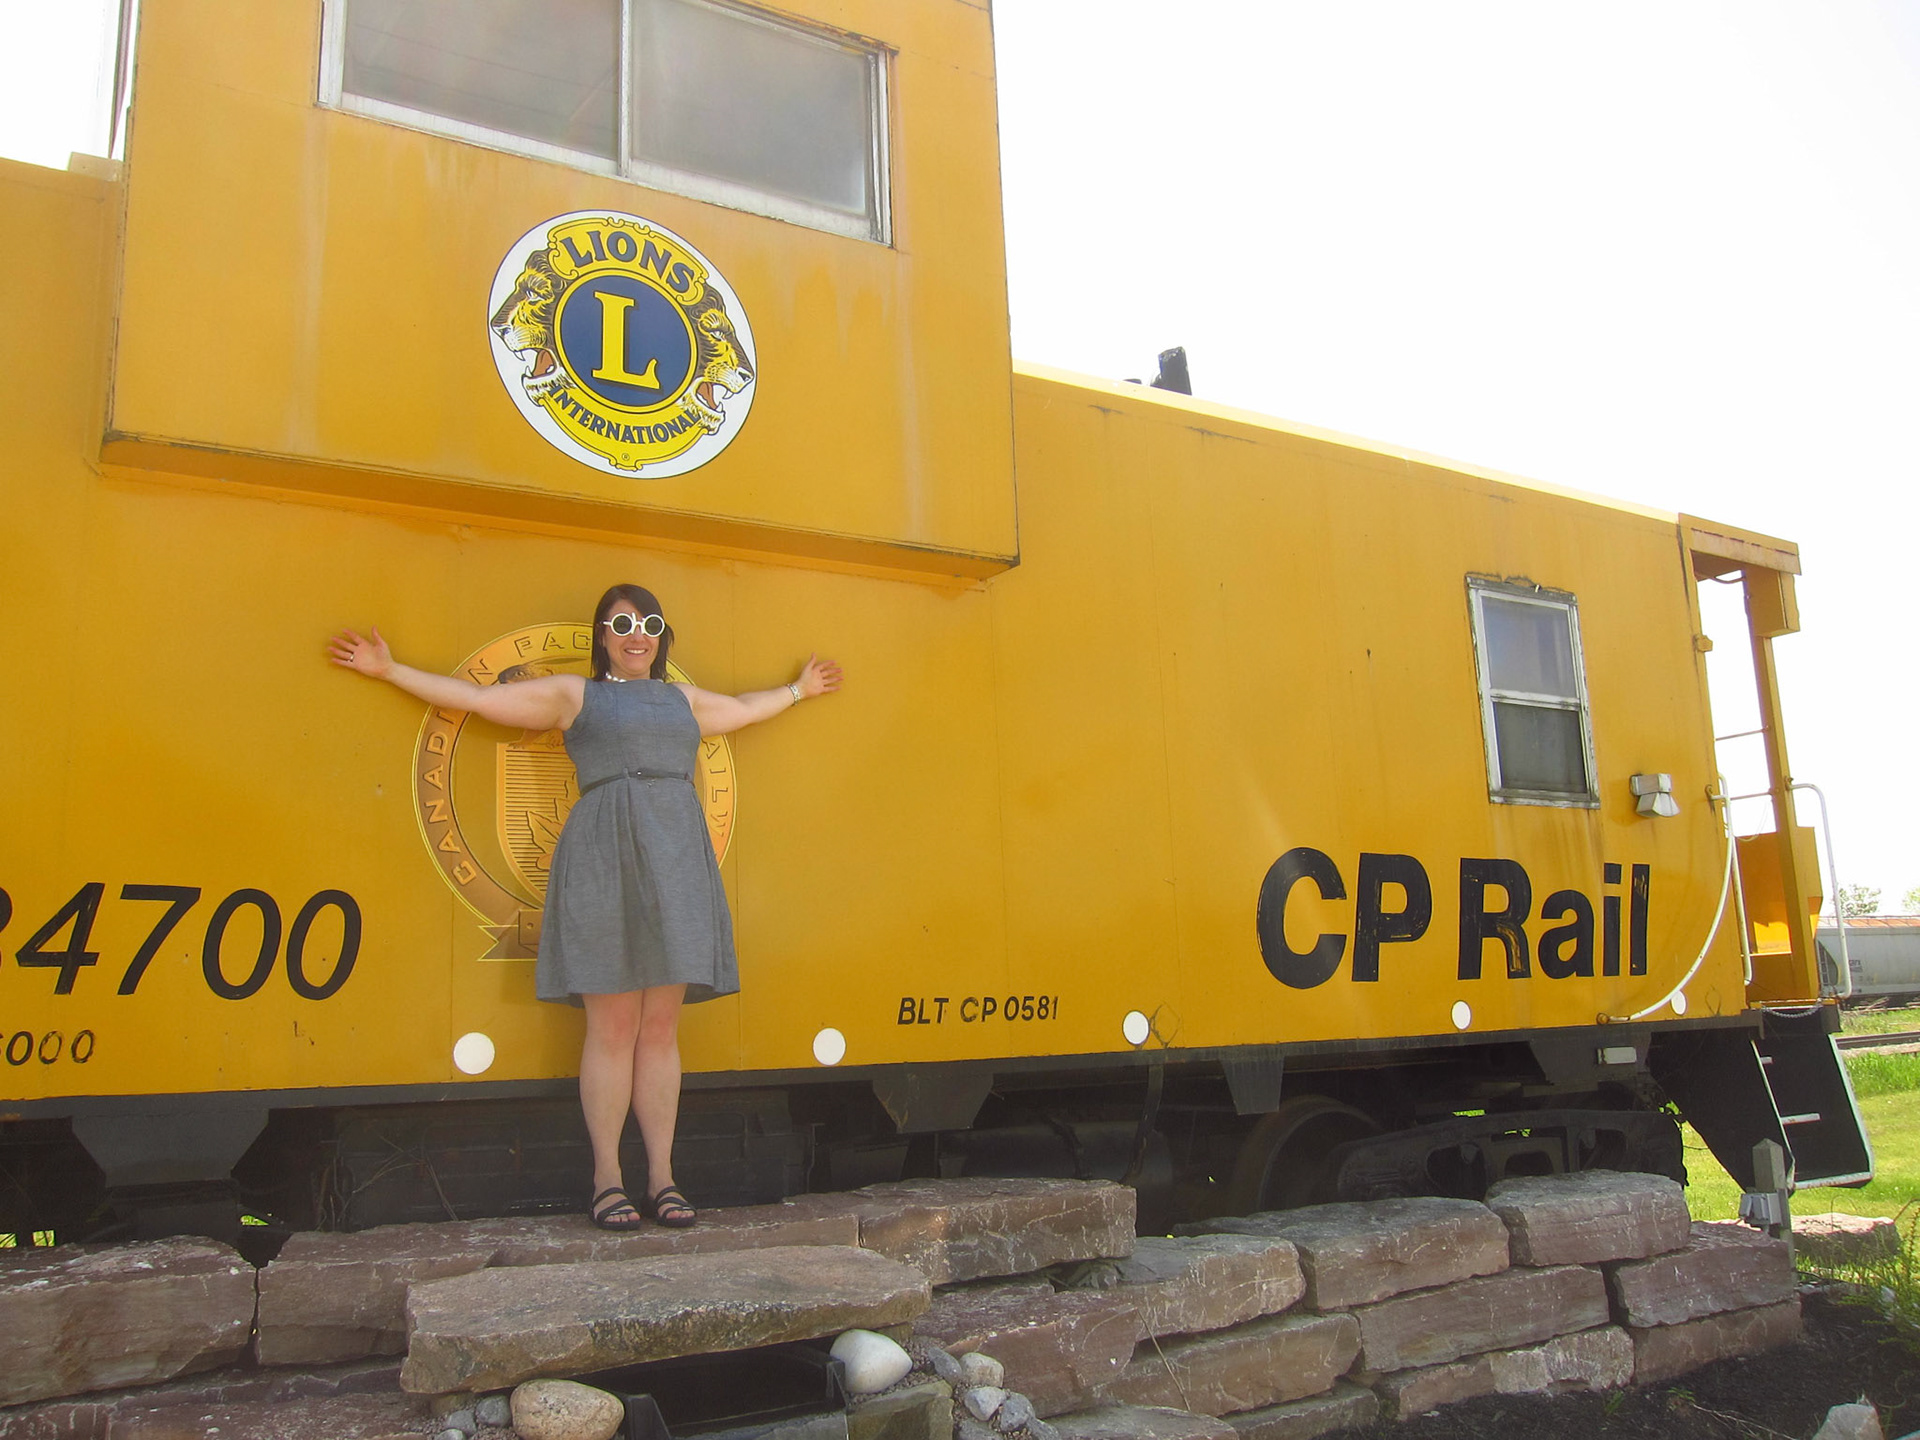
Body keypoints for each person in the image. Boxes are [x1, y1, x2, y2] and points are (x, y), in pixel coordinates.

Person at [329, 584, 841, 1229]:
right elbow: (480, 700)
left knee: (661, 1028)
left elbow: (742, 708)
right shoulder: (577, 695)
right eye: (622, 624)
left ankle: (663, 1178)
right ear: (603, 635)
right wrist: (390, 670)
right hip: (604, 858)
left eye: (649, 623)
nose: (637, 634)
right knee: (613, 1028)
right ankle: (607, 1180)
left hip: (677, 862)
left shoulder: (682, 700)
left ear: (661, 636)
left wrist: (799, 690)